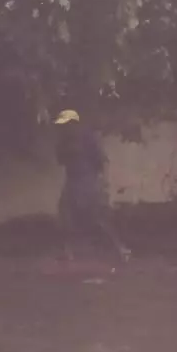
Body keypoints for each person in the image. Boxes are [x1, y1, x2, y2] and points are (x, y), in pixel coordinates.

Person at [54, 109, 130, 262]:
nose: (64, 128)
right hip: (72, 181)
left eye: (66, 124)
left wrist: (103, 182)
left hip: (89, 181)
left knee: (99, 218)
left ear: (74, 123)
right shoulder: (65, 141)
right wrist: (66, 149)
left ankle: (120, 249)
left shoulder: (87, 138)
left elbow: (102, 161)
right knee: (65, 215)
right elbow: (61, 161)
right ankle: (67, 251)